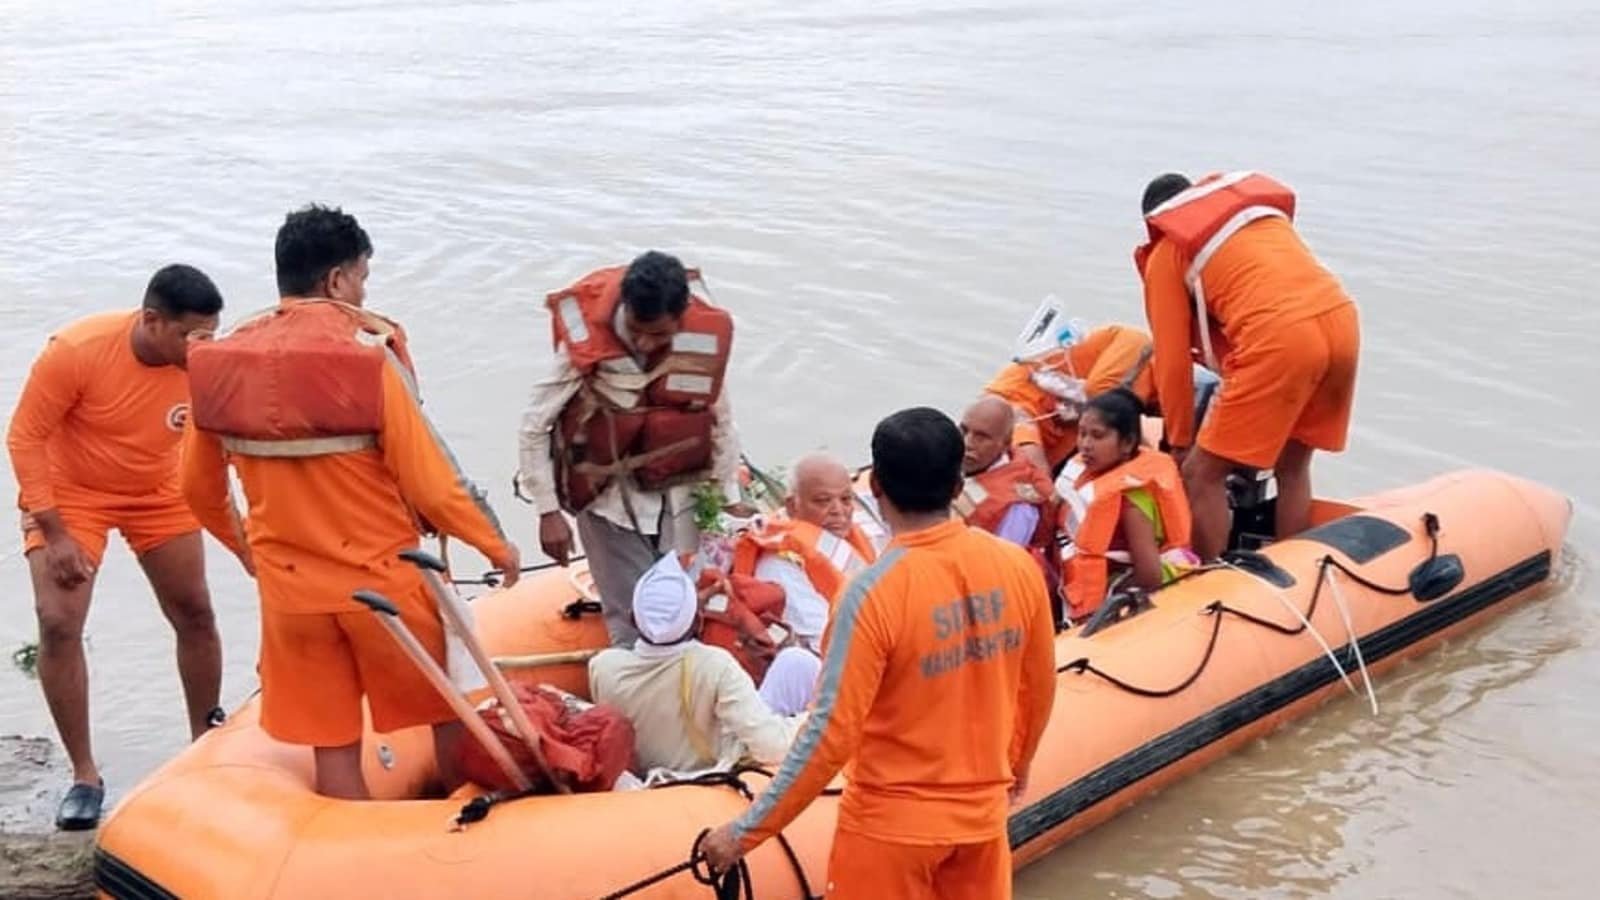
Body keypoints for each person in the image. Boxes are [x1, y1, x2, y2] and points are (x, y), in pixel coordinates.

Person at [181, 204, 520, 800]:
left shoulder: (218, 365)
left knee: (333, 744)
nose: (364, 290)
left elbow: (197, 490)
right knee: (448, 715)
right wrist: (495, 544)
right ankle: (461, 853)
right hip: (382, 585)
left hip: (289, 594)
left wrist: (247, 552)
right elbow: (431, 483)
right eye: (362, 276)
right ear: (337, 280)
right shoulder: (366, 359)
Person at [700, 407, 1057, 900]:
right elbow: (1038, 686)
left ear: (877, 490)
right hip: (981, 824)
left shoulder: (869, 595)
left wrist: (744, 833)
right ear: (957, 487)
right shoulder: (1017, 568)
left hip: (890, 834)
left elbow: (829, 735)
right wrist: (1019, 765)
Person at [6, 264, 230, 830]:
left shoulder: (207, 365)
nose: (204, 346)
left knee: (197, 613)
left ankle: (204, 749)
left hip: (159, 489)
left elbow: (226, 453)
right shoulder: (78, 350)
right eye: (193, 335)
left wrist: (251, 545)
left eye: (212, 333)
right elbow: (24, 436)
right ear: (152, 321)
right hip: (71, 495)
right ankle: (85, 775)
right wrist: (53, 533)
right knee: (57, 622)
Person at [516, 252, 742, 647]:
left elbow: (720, 419)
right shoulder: (585, 349)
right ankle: (635, 691)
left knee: (682, 609)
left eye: (657, 334)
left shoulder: (699, 341)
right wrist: (547, 512)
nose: (643, 342)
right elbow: (535, 425)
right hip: (611, 506)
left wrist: (728, 498)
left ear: (680, 317)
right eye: (637, 329)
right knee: (632, 626)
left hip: (679, 496)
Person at [1136, 170, 1360, 560]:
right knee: (1292, 465)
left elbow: (1172, 365)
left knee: (1201, 475)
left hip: (1280, 337)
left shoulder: (1168, 251)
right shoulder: (1246, 217)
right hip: (1342, 321)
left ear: (1153, 221)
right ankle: (1295, 569)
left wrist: (1182, 443)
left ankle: (1206, 581)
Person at [588, 553, 803, 777]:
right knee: (798, 662)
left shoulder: (603, 666)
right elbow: (772, 748)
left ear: (632, 619)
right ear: (698, 621)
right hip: (713, 773)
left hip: (650, 780)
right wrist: (811, 718)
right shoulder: (714, 665)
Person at [1058, 389, 1199, 624]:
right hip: (1080, 579)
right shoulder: (1085, 475)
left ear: (1127, 444)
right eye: (1081, 434)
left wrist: (1107, 604)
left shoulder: (1131, 499)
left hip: (1123, 587)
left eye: (1097, 436)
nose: (1085, 445)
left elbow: (1149, 576)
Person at [729, 452, 880, 653]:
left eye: (846, 499)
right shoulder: (780, 565)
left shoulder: (848, 538)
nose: (838, 510)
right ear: (792, 505)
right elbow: (823, 644)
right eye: (823, 501)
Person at [984, 322, 1156, 473]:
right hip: (1016, 403)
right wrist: (1155, 460)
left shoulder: (1145, 397)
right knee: (1036, 475)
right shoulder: (1138, 343)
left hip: (1059, 437)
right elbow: (1101, 394)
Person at [955, 396, 1056, 553]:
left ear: (1006, 443)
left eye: (982, 437)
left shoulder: (1018, 507)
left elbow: (1002, 563)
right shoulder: (954, 459)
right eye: (964, 430)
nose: (967, 443)